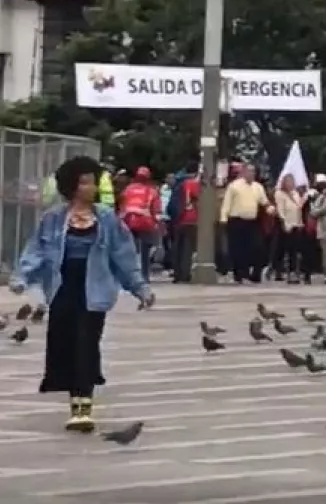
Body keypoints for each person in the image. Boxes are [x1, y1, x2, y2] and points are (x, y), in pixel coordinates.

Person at [9, 155, 153, 432]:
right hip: (63, 289)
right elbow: (36, 250)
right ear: (72, 186)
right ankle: (73, 399)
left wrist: (140, 288)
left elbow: (123, 255)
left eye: (93, 182)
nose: (92, 188)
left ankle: (84, 404)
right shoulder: (53, 218)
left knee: (87, 343)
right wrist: (22, 277)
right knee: (65, 344)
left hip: (94, 290)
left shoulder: (107, 218)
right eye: (85, 182)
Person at [219, 164, 272, 284]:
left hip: (252, 222)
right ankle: (240, 274)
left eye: (253, 172)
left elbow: (264, 202)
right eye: (249, 171)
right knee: (238, 249)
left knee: (258, 247)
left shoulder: (258, 187)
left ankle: (255, 274)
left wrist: (270, 209)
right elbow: (226, 203)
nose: (251, 174)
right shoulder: (234, 186)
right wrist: (223, 219)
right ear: (243, 173)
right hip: (236, 220)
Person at [117, 166, 161, 280]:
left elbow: (121, 205)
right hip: (145, 222)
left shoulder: (128, 189)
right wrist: (156, 223)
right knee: (145, 251)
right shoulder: (152, 191)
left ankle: (129, 276)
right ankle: (144, 276)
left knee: (129, 249)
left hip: (128, 221)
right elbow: (156, 209)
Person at [167, 162, 202, 283]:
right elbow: (198, 200)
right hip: (191, 218)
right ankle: (185, 274)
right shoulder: (193, 184)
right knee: (187, 248)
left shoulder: (178, 184)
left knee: (178, 247)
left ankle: (177, 274)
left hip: (178, 220)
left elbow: (170, 205)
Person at [274, 173, 306, 283]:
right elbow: (280, 209)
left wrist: (300, 223)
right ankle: (278, 270)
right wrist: (283, 223)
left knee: (294, 250)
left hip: (295, 224)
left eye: (292, 181)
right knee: (282, 249)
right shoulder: (279, 194)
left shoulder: (295, 194)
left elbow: (298, 208)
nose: (291, 183)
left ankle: (292, 272)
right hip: (286, 224)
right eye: (288, 181)